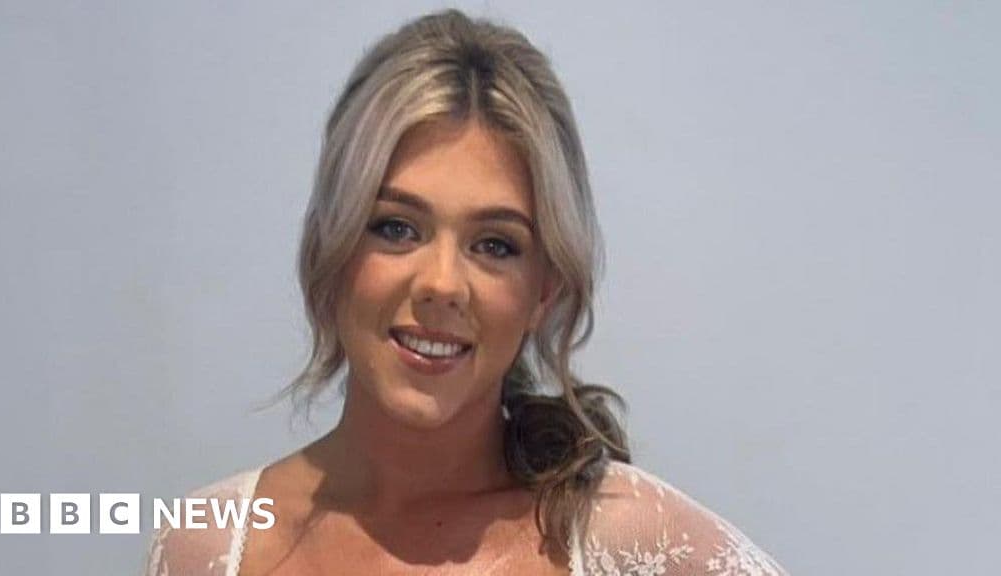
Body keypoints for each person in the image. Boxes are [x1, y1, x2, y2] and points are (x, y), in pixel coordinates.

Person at [144, 9, 788, 576]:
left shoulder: (635, 539)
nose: (443, 284)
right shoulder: (208, 544)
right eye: (396, 228)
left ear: (545, 289)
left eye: (495, 245)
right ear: (331, 250)